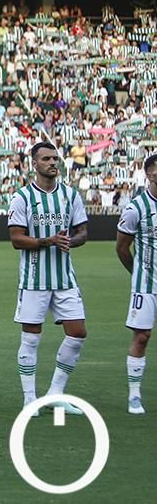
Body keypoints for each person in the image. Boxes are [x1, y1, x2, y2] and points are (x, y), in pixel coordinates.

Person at [8, 141, 89, 416]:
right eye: (46, 159)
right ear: (34, 164)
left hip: (65, 278)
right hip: (34, 279)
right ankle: (30, 399)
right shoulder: (22, 197)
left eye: (55, 158)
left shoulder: (70, 195)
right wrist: (48, 241)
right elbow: (16, 239)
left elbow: (82, 232)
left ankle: (55, 393)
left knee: (77, 334)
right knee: (31, 337)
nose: (53, 163)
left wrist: (72, 242)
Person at [115, 153, 157, 415]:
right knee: (142, 337)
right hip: (146, 284)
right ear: (150, 174)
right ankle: (134, 394)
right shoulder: (136, 208)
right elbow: (121, 248)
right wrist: (137, 273)